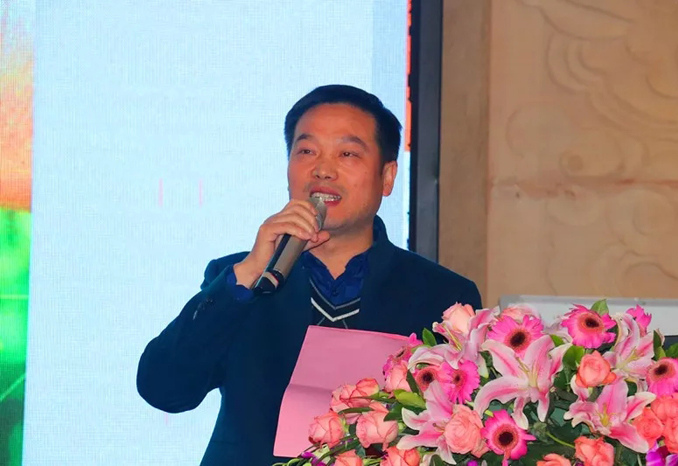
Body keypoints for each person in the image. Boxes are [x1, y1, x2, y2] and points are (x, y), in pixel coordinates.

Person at [136, 84, 482, 465]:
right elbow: (163, 389)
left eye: (347, 153)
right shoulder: (241, 282)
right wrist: (248, 273)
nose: (323, 170)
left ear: (387, 177)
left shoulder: (442, 297)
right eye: (306, 151)